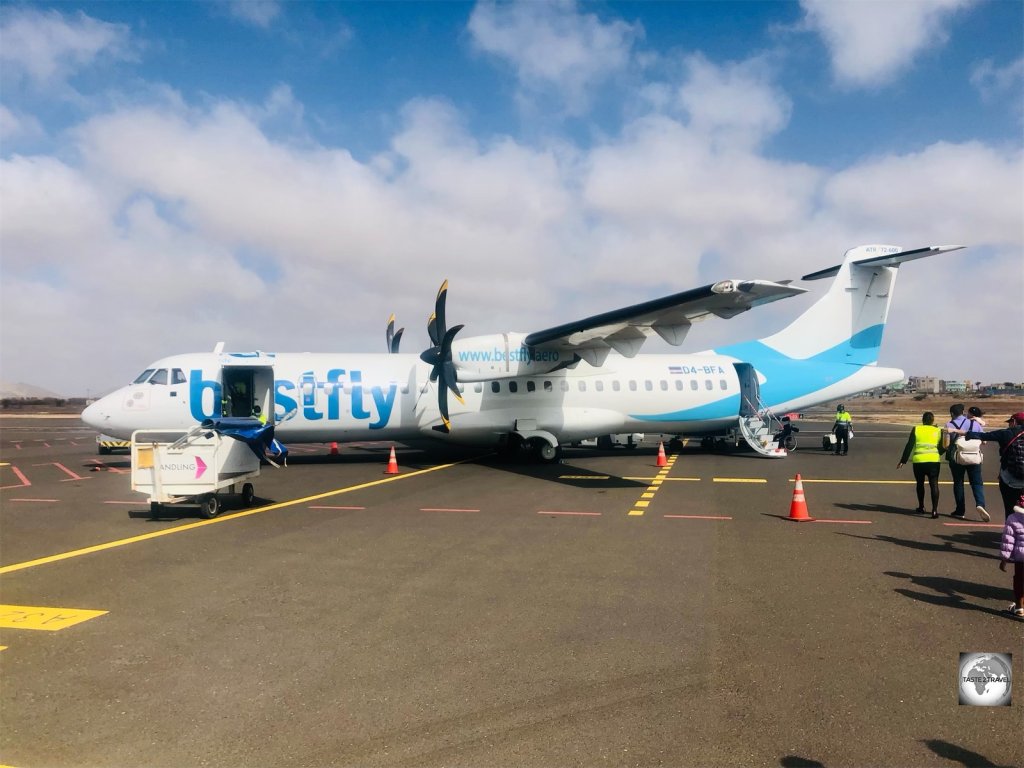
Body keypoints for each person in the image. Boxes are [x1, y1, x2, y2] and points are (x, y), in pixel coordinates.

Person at [957, 412, 1024, 519]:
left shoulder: (1007, 433)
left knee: (1010, 508)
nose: (1009, 425)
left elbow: (985, 435)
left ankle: (1011, 530)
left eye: (1010, 422)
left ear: (1015, 422)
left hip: (1010, 480)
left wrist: (968, 434)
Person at [944, 404, 989, 521]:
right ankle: (980, 504)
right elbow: (984, 441)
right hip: (974, 456)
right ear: (963, 412)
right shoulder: (975, 423)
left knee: (958, 483)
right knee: (977, 483)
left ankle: (960, 510)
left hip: (957, 457)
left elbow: (946, 445)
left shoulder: (949, 425)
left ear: (952, 414)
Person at [897, 411, 944, 518]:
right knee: (934, 484)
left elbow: (909, 445)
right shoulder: (938, 430)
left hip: (919, 461)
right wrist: (938, 452)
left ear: (922, 420)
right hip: (933, 460)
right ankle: (934, 510)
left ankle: (921, 506)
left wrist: (903, 461)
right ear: (933, 420)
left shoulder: (916, 429)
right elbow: (943, 446)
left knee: (920, 483)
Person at [998, 493, 1024, 618]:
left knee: (1019, 581)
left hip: (1021, 558)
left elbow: (1008, 541)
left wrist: (1004, 558)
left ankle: (1019, 607)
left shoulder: (1013, 518)